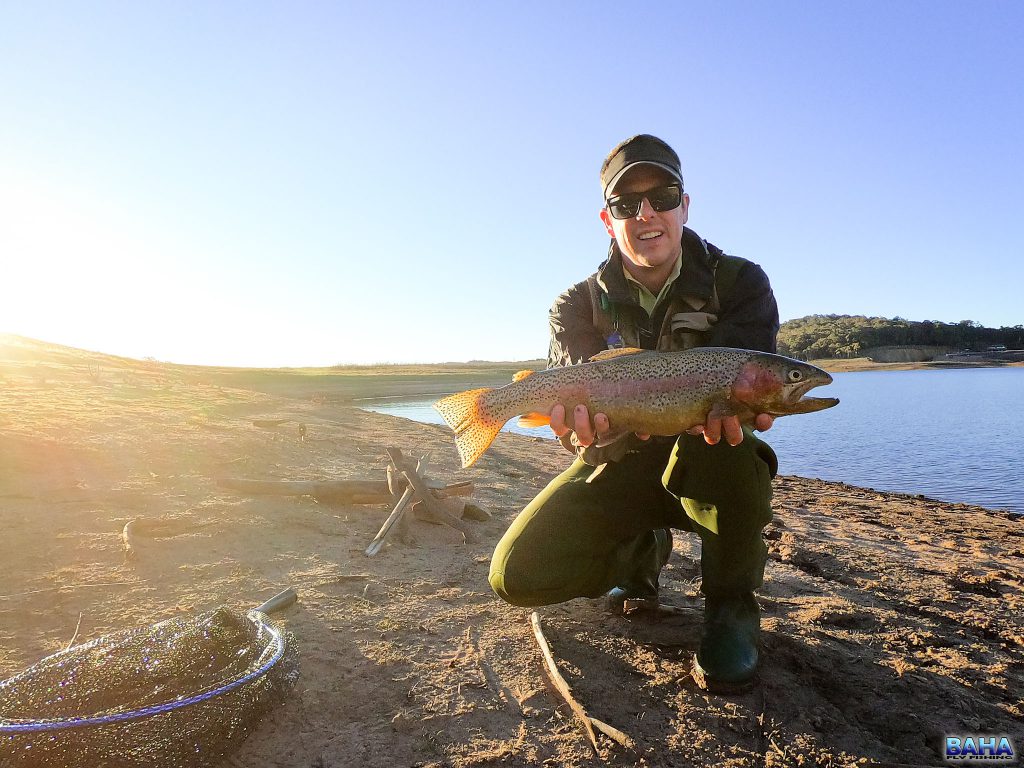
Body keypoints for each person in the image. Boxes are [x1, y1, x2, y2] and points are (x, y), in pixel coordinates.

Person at [488, 134, 781, 692]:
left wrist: (751, 406)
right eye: (627, 204)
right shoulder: (575, 303)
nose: (646, 214)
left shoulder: (741, 282)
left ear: (684, 206)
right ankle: (638, 552)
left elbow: (746, 387)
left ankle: (730, 608)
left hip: (712, 463)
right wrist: (575, 429)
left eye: (662, 196)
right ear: (608, 219)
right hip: (619, 458)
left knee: (729, 448)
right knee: (515, 576)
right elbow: (573, 390)